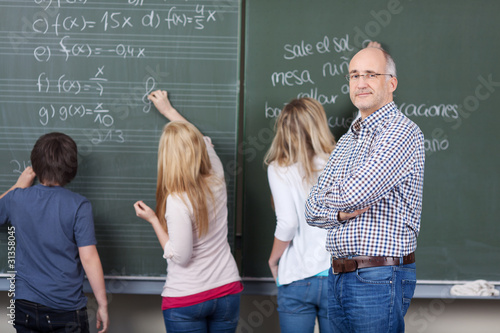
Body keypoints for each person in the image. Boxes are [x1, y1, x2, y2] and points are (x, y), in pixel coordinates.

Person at [305, 46, 425, 332]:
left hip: (378, 276)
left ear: (391, 83)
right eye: (354, 75)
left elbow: (354, 194)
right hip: (337, 275)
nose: (361, 83)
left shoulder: (401, 132)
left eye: (371, 75)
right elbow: (310, 210)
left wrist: (328, 199)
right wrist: (341, 214)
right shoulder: (348, 139)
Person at [133, 90, 243, 333]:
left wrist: (153, 220)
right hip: (227, 290)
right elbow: (202, 140)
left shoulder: (177, 200)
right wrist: (168, 111)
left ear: (167, 158)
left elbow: (180, 256)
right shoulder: (217, 176)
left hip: (188, 298)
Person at [0, 132, 109, 333]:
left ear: (36, 164)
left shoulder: (17, 199)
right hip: (65, 309)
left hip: (24, 306)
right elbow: (89, 258)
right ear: (71, 167)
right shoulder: (79, 205)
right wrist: (102, 304)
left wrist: (18, 185)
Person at [264, 98, 336, 333]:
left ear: (283, 129)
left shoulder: (279, 168)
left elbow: (288, 223)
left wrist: (274, 260)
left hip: (297, 275)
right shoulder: (338, 162)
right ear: (319, 125)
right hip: (338, 274)